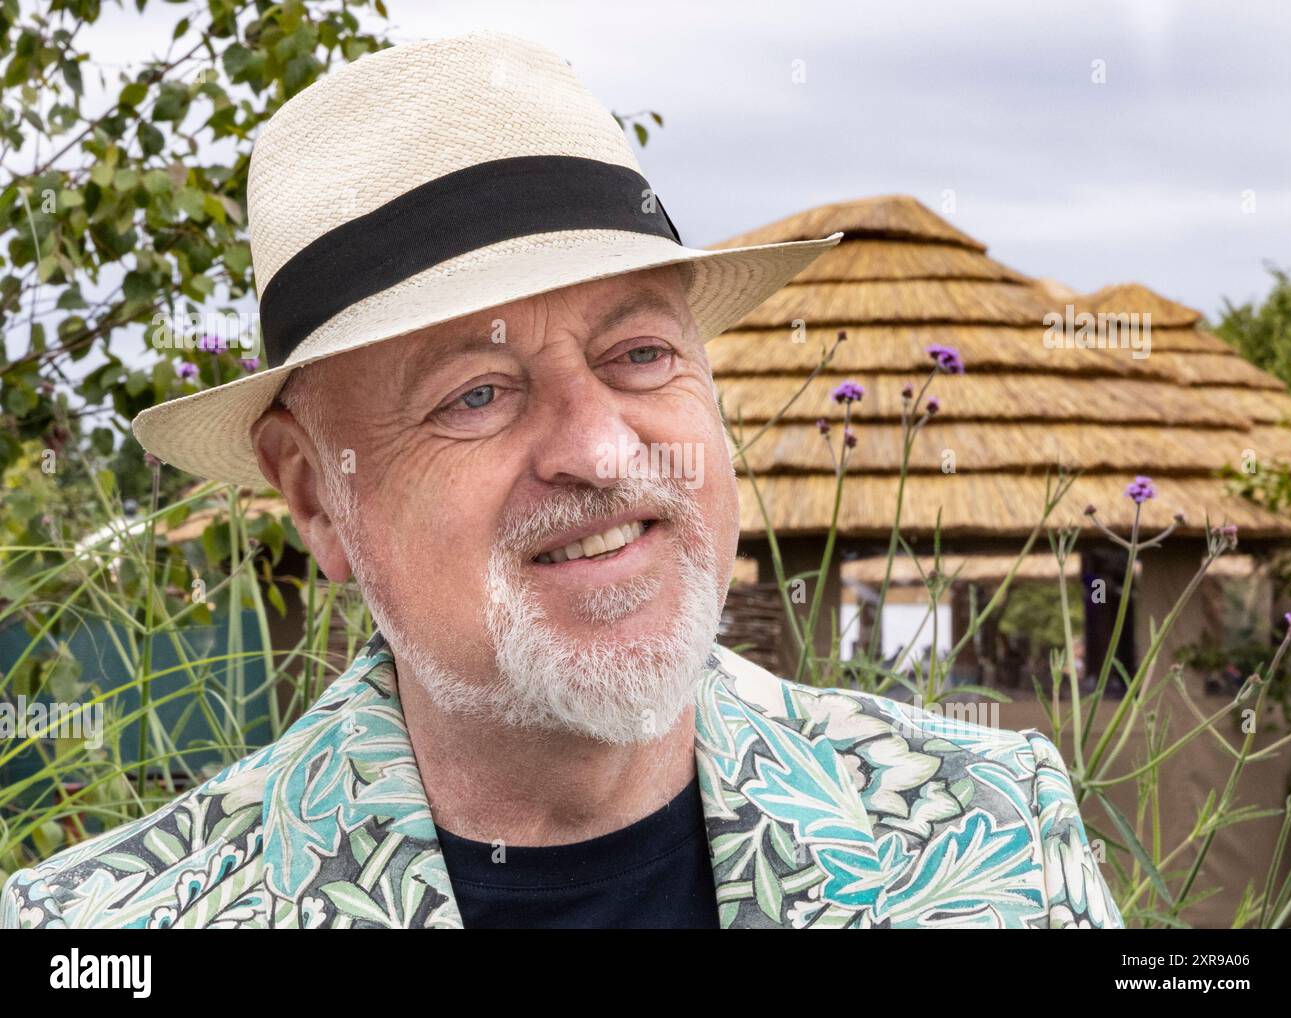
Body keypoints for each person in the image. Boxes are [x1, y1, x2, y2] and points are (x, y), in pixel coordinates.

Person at [1, 30, 1122, 929]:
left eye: (639, 354)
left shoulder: (990, 837)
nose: (601, 450)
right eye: (475, 393)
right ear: (312, 495)